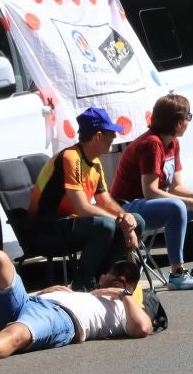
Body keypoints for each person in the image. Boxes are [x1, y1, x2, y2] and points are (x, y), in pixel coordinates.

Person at [109, 93, 193, 291]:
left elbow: (176, 185)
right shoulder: (151, 144)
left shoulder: (173, 143)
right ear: (177, 121)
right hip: (128, 206)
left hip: (153, 204)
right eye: (188, 117)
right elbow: (150, 191)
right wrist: (189, 202)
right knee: (176, 207)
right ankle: (177, 273)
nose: (188, 122)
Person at [0, 250, 152, 364]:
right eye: (118, 272)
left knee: (17, 333)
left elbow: (143, 328)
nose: (123, 278)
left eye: (129, 281)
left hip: (63, 318)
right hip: (33, 303)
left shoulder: (124, 308)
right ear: (102, 278)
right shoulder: (83, 293)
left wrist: (124, 295)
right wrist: (42, 293)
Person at [31, 107, 144, 280]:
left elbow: (105, 201)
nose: (115, 138)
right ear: (98, 136)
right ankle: (83, 283)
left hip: (72, 223)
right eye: (111, 134)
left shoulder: (95, 162)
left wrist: (125, 217)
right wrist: (119, 221)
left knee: (137, 220)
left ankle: (103, 277)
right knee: (105, 225)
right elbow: (83, 208)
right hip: (49, 226)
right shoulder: (71, 157)